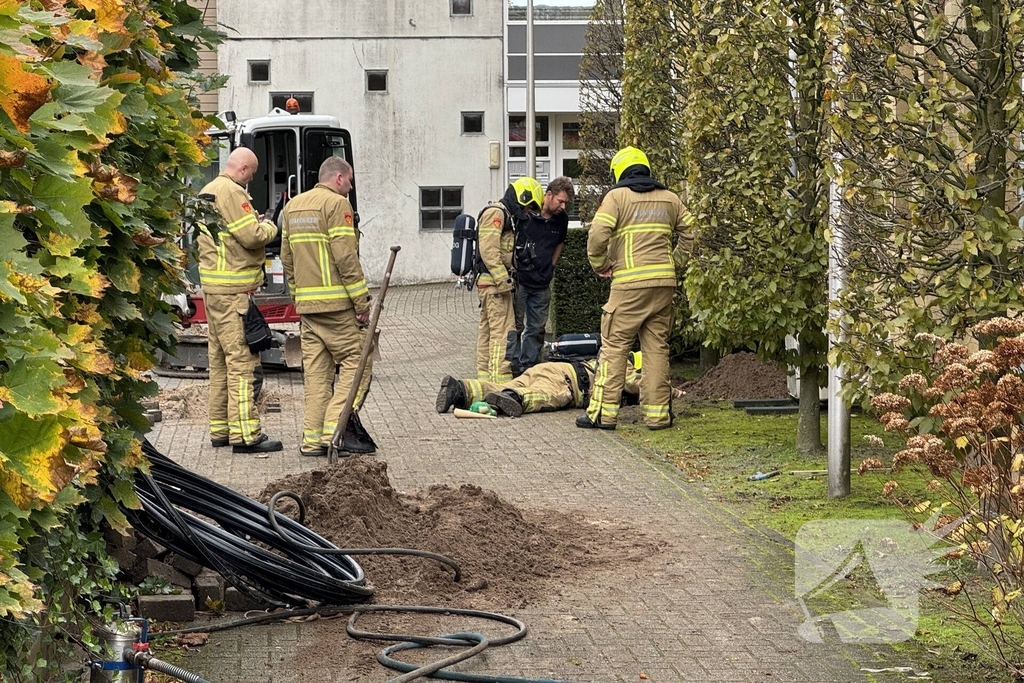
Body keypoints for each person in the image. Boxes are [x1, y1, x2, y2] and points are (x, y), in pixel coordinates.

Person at [575, 146, 694, 431]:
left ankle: (602, 415)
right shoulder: (670, 198)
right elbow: (690, 232)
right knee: (656, 350)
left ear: (619, 172)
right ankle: (657, 416)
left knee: (614, 348)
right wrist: (674, 263)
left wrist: (600, 264)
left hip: (628, 286)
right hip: (664, 286)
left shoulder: (616, 197)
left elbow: (597, 236)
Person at [281, 156, 376, 457]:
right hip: (338, 306)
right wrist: (361, 302)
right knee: (357, 362)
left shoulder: (292, 207)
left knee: (317, 375)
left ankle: (312, 440)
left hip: (308, 308)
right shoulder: (337, 205)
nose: (349, 186)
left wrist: (297, 296)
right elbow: (346, 257)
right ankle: (335, 430)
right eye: (348, 180)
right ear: (337, 178)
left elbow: (287, 258)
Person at [197, 148, 283, 453]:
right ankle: (247, 436)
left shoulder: (207, 191)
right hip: (234, 292)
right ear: (244, 169)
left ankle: (220, 430)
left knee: (219, 362)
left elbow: (230, 234)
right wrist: (271, 225)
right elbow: (252, 236)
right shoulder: (233, 192)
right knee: (243, 364)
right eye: (252, 174)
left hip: (213, 289)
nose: (251, 180)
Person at [475, 177, 543, 383]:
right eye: (528, 207)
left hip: (491, 284)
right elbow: (489, 250)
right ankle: (499, 382)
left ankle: (484, 379)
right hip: (495, 285)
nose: (527, 212)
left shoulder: (505, 215)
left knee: (487, 331)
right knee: (503, 333)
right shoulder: (497, 213)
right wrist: (504, 282)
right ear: (523, 197)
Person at [436, 353, 641, 418]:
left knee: (501, 385)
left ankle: (461, 389)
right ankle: (515, 397)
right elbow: (638, 386)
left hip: (547, 369)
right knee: (547, 396)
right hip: (565, 382)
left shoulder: (603, 357)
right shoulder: (624, 364)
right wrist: (670, 391)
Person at [508, 176, 574, 374]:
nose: (562, 206)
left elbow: (559, 243)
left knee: (536, 328)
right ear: (548, 195)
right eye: (560, 201)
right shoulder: (527, 213)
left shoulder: (562, 220)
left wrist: (551, 266)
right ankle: (511, 366)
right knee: (515, 326)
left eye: (565, 203)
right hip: (520, 280)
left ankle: (528, 368)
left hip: (542, 283)